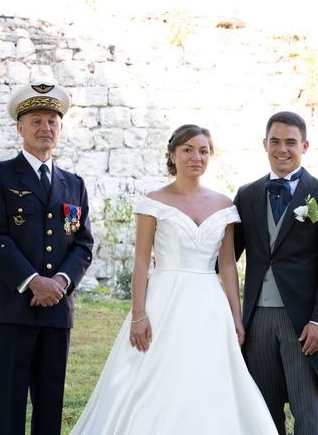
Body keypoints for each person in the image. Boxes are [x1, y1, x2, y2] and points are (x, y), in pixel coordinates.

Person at [70, 124, 277, 434]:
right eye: (188, 150)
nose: (196, 157)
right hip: (164, 301)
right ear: (172, 155)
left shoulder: (223, 205)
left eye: (203, 151)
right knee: (158, 375)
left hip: (209, 304)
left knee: (209, 377)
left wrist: (236, 316)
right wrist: (139, 314)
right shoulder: (154, 201)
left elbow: (228, 265)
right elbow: (141, 261)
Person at [0, 82, 94, 435]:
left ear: (60, 128)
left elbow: (82, 244)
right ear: (20, 128)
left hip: (57, 308)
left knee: (50, 404)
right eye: (37, 120)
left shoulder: (74, 184)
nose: (46, 128)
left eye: (53, 121)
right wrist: (33, 282)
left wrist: (59, 282)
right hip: (12, 305)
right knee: (5, 404)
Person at [233, 111, 318, 435]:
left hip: (302, 321)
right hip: (256, 320)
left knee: (306, 411)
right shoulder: (247, 194)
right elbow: (228, 256)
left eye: (290, 142)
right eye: (275, 141)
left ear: (305, 145)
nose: (282, 149)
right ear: (265, 144)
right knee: (263, 411)